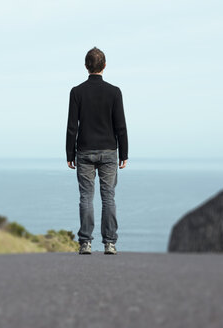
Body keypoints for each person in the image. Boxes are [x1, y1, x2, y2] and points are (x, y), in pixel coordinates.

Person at [66, 47, 128, 255]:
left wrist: (69, 154)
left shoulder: (77, 92)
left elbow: (72, 126)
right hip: (109, 151)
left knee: (86, 197)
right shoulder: (114, 92)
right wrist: (124, 153)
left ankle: (85, 243)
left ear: (86, 66)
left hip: (84, 151)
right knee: (108, 197)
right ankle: (110, 243)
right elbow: (121, 126)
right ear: (105, 66)